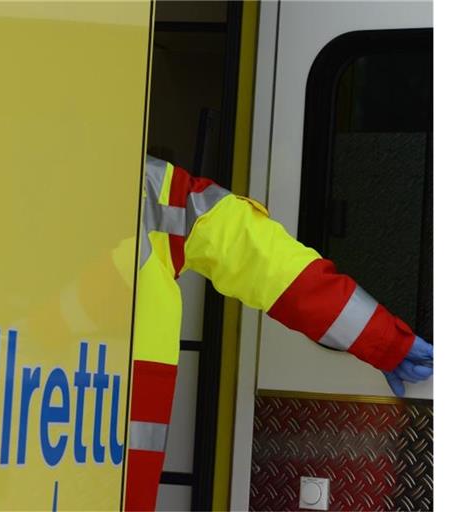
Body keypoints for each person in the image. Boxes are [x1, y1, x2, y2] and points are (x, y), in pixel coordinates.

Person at [122, 155, 433, 510]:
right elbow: (266, 261)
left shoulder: (142, 186)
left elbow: (269, 265)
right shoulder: (146, 186)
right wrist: (384, 340)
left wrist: (383, 340)